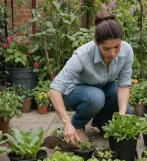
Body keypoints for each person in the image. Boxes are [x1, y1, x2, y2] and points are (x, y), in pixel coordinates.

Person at [48, 12, 134, 147]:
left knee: (127, 111)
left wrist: (122, 115)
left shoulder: (127, 50)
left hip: (102, 87)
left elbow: (123, 85)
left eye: (117, 47)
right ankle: (77, 124)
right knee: (96, 97)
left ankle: (100, 121)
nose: (112, 53)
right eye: (106, 48)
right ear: (96, 43)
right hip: (73, 93)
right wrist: (66, 123)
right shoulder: (82, 56)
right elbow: (54, 90)